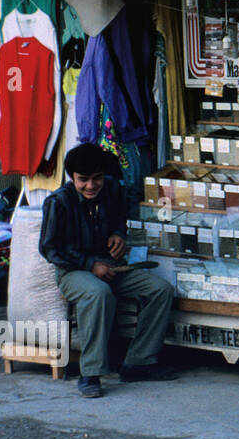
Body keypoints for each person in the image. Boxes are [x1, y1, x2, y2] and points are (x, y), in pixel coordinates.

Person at [39, 143, 177, 399]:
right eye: (84, 180)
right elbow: (50, 249)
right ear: (72, 178)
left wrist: (118, 235)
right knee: (99, 293)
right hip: (73, 272)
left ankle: (138, 362)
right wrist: (90, 264)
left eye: (96, 179)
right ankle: (90, 373)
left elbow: (118, 222)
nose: (91, 186)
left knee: (160, 290)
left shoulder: (112, 189)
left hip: (110, 265)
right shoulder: (57, 202)